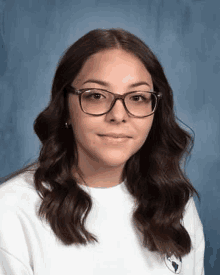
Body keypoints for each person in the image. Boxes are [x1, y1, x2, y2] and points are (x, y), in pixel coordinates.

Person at [0, 28, 205, 274]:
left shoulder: (174, 203)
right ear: (64, 107)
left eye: (137, 97)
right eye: (96, 95)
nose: (118, 115)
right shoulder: (10, 213)